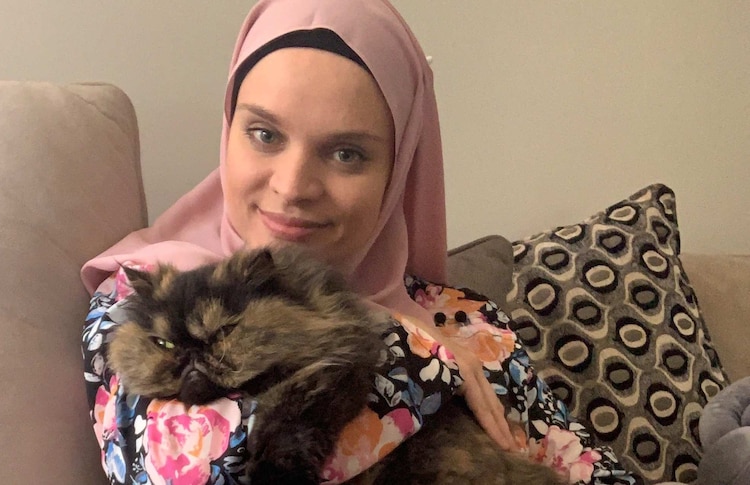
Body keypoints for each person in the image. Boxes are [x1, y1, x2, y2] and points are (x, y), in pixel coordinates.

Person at [80, 1, 638, 483]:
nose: (293, 187)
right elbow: (191, 469)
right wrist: (421, 360)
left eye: (347, 152)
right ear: (229, 131)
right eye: (264, 134)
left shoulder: (463, 317)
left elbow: (588, 467)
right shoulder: (138, 299)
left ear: (398, 172)